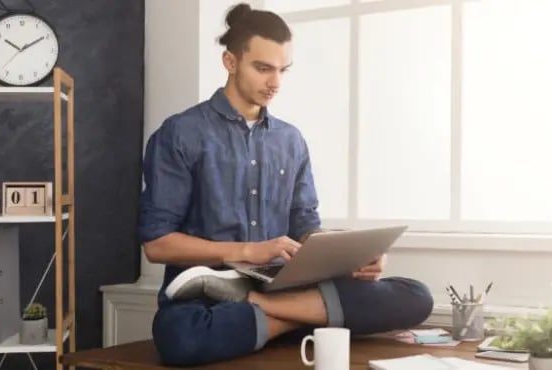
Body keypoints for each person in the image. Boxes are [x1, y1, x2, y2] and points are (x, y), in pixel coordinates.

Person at [139, 3, 434, 366]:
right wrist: (248, 251)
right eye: (263, 68)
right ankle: (302, 318)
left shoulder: (290, 140)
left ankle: (266, 310)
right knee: (180, 337)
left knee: (416, 296)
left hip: (281, 288)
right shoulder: (181, 134)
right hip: (207, 299)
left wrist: (352, 257)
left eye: (282, 70)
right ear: (230, 62)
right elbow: (157, 244)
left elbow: (305, 227)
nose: (275, 82)